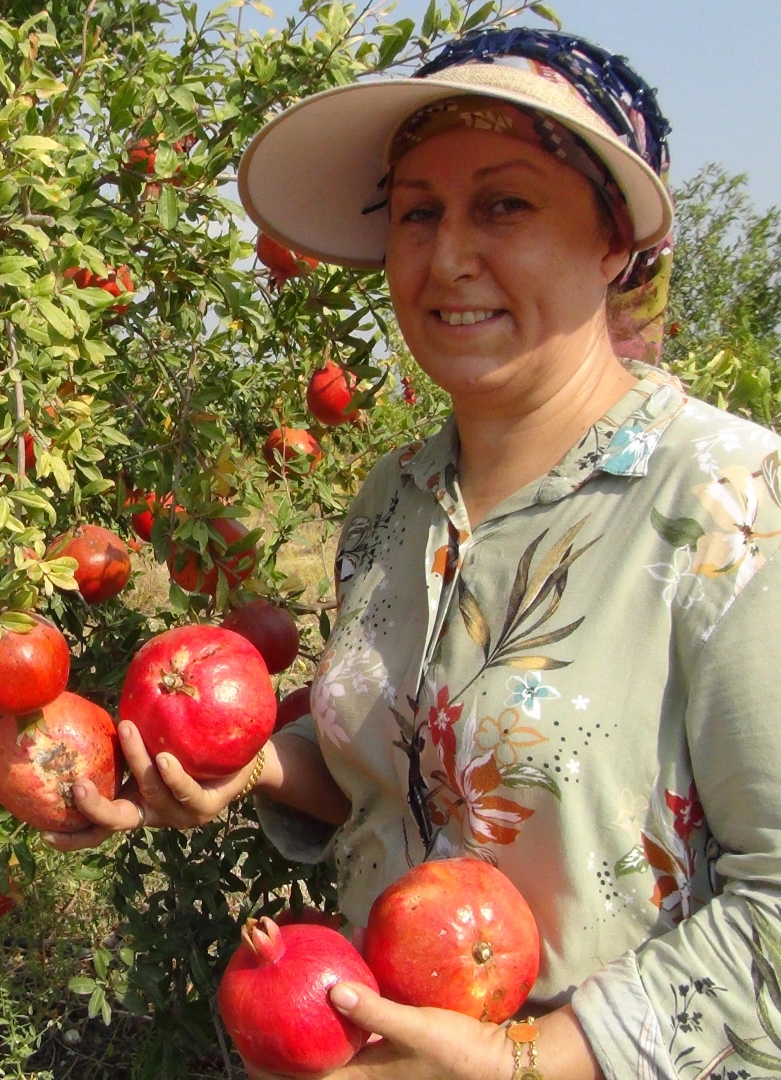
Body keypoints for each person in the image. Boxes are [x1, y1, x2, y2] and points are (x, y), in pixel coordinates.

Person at [47, 28, 781, 1080]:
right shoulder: (391, 504)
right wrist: (245, 764)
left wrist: (536, 1059)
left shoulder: (732, 506)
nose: (446, 258)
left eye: (504, 205)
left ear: (614, 241)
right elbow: (399, 778)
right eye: (418, 212)